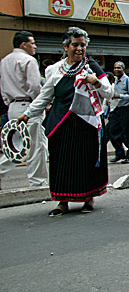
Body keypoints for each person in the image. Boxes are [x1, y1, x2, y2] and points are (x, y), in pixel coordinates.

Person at [18, 27, 113, 216]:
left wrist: (95, 81)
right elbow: (45, 97)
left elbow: (108, 92)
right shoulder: (54, 70)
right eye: (75, 45)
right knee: (61, 161)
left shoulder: (92, 67)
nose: (79, 49)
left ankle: (88, 198)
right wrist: (27, 114)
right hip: (61, 122)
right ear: (65, 46)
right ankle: (63, 201)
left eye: (83, 45)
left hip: (85, 123)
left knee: (85, 161)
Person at [0, 31, 48, 190]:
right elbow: (34, 86)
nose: (35, 46)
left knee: (17, 145)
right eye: (32, 43)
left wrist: (10, 102)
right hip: (28, 107)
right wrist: (40, 104)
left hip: (12, 106)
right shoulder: (28, 60)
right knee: (35, 147)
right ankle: (38, 183)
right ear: (23, 44)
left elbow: (3, 88)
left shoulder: (5, 61)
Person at [109, 61, 129, 164]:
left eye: (119, 68)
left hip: (126, 109)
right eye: (115, 68)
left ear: (123, 69)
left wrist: (119, 96)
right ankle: (120, 153)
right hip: (116, 110)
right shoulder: (115, 80)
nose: (116, 70)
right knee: (111, 131)